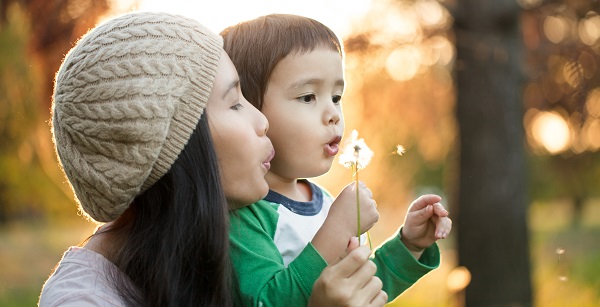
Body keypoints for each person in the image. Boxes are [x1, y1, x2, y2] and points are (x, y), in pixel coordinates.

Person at [38, 11, 387, 307]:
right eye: (236, 102)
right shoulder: (84, 300)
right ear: (179, 145)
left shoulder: (202, 259)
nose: (263, 122)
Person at [221, 13, 453, 306]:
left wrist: (409, 245)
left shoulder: (326, 202)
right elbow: (267, 301)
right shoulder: (244, 217)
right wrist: (337, 230)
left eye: (337, 96)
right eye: (307, 97)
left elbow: (361, 290)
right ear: (251, 111)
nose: (333, 114)